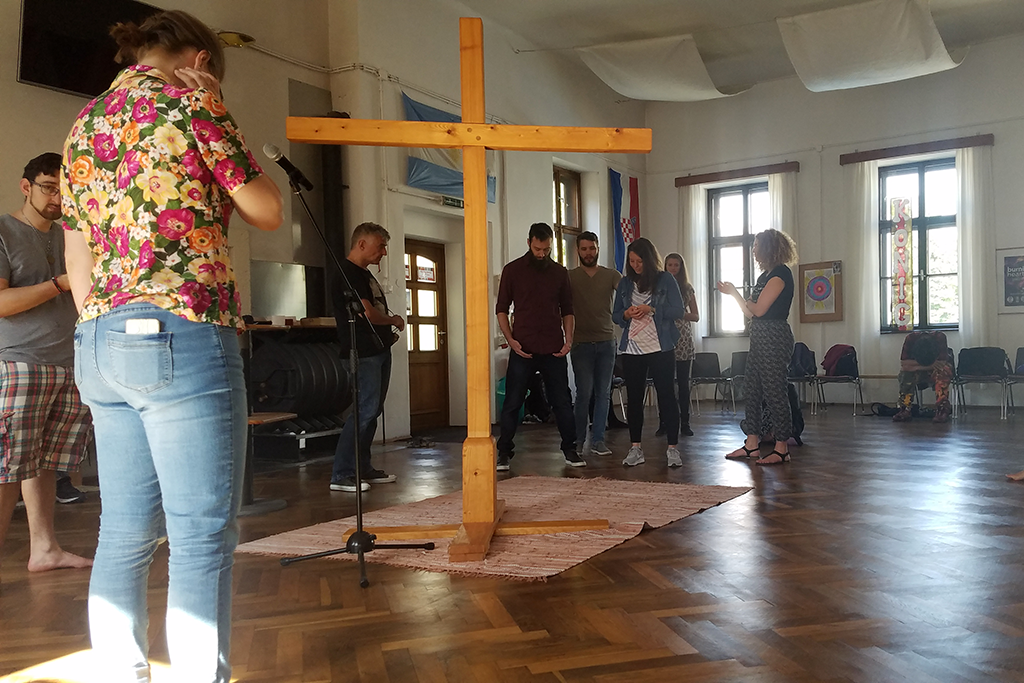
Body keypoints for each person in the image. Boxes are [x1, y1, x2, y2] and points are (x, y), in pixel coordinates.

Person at [61, 10, 284, 682]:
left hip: (99, 338)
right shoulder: (194, 104)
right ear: (201, 59)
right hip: (179, 329)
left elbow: (76, 250)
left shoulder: (85, 124)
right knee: (200, 537)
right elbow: (266, 209)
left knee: (123, 534)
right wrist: (214, 107)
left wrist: (100, 322)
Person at [0, 153, 93, 575]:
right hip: (17, 362)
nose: (57, 198)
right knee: (7, 467)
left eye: (64, 190)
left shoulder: (70, 235)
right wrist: (60, 283)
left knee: (45, 463)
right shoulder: (4, 231)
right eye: (49, 188)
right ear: (26, 187)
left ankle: (45, 550)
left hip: (69, 362)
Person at [496, 222, 581, 470]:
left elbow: (568, 310)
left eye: (546, 249)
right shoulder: (512, 270)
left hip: (553, 347)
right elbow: (501, 309)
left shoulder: (559, 273)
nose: (542, 254)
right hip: (522, 347)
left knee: (562, 400)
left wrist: (568, 340)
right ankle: (504, 452)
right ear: (529, 243)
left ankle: (570, 450)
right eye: (537, 249)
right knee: (513, 401)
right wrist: (511, 340)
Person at [329, 222, 405, 492]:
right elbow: (368, 313)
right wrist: (393, 320)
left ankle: (363, 467)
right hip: (362, 352)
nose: (383, 252)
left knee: (372, 412)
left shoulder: (363, 274)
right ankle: (342, 473)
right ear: (361, 244)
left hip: (378, 349)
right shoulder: (347, 273)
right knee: (363, 411)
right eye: (380, 246)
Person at [717, 229, 797, 465]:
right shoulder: (765, 276)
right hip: (759, 336)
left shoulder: (781, 274)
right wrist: (735, 295)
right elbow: (750, 312)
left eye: (756, 245)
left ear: (769, 248)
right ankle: (752, 444)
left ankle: (782, 447)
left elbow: (759, 309)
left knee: (775, 391)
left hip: (774, 336)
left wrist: (743, 298)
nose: (753, 250)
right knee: (752, 389)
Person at [612, 238, 686, 467]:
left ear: (649, 260)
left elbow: (678, 310)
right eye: (632, 261)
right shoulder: (625, 283)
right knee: (634, 399)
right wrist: (627, 314)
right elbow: (616, 315)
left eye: (639, 261)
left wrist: (652, 309)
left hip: (660, 347)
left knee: (666, 396)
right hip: (632, 348)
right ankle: (635, 448)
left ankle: (672, 449)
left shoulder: (665, 279)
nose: (635, 265)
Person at [568, 231, 621, 456]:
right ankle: (579, 440)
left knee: (604, 393)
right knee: (583, 393)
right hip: (580, 343)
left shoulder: (612, 275)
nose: (588, 253)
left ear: (598, 248)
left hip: (606, 342)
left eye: (592, 248)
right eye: (584, 249)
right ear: (578, 251)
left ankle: (598, 440)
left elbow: (630, 294)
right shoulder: (569, 277)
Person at [664, 253, 699, 437]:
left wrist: (679, 313)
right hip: (665, 336)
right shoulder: (660, 287)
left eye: (676, 265)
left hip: (683, 338)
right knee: (665, 384)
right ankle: (664, 422)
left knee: (683, 384)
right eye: (670, 265)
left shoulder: (687, 288)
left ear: (681, 267)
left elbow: (696, 316)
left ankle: (685, 422)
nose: (673, 268)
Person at [893, 331, 952, 423]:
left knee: (943, 371)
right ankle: (905, 408)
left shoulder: (940, 337)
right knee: (905, 374)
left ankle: (942, 409)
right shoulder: (910, 339)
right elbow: (904, 363)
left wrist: (914, 367)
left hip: (935, 370)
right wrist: (927, 365)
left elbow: (941, 363)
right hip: (922, 369)